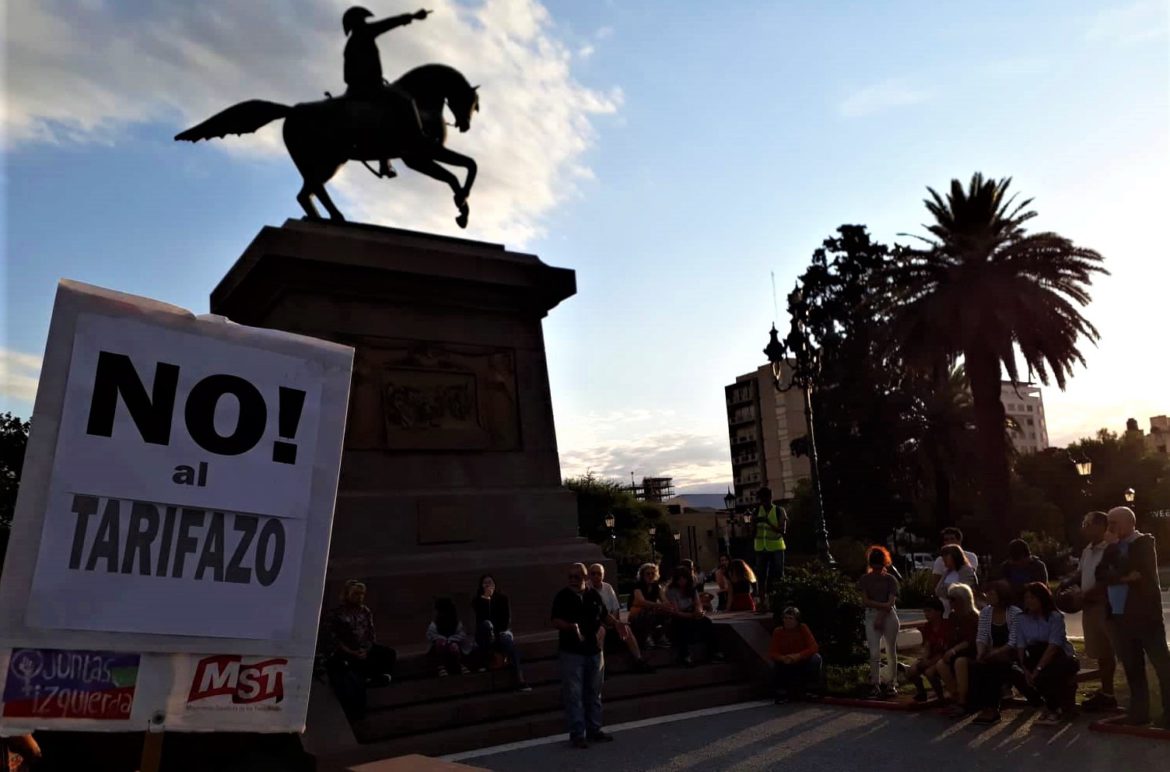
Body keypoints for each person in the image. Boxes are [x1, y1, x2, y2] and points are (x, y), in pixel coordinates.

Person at [1097, 506, 1170, 728]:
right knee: (1132, 666)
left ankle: (1169, 713)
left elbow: (1139, 570)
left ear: (1130, 523)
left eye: (1114, 523)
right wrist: (1123, 577)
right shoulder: (1112, 546)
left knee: (1162, 664)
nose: (1110, 528)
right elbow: (1101, 574)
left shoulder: (1143, 543)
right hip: (1119, 615)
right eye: (1108, 523)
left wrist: (1119, 569)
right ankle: (1139, 712)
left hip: (1145, 615)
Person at [341, 5, 431, 178]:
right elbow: (388, 24)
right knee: (405, 101)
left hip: (360, 88)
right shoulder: (364, 33)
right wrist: (411, 16)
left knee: (385, 116)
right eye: (361, 20)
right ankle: (419, 137)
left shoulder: (351, 43)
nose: (364, 22)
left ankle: (384, 160)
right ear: (356, 23)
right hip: (367, 88)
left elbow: (347, 76)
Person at [551, 562, 617, 748]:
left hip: (594, 650)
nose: (572, 580)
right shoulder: (562, 596)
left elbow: (604, 615)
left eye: (577, 577)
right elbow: (555, 620)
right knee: (574, 694)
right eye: (570, 576)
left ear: (585, 577)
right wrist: (570, 627)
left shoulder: (593, 595)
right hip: (572, 651)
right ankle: (578, 734)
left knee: (594, 693)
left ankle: (595, 729)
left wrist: (618, 624)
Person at [1057, 511, 1117, 711]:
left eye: (1088, 524)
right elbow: (1082, 572)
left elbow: (1105, 580)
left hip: (1105, 605)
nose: (1084, 528)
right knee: (1100, 652)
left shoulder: (1110, 548)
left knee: (1110, 650)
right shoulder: (1087, 550)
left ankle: (1110, 694)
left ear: (1101, 526)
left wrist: (1082, 595)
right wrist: (1067, 582)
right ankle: (1106, 693)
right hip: (1089, 607)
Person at [322, 579, 397, 719]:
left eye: (362, 594)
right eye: (356, 594)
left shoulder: (365, 611)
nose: (360, 597)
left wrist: (366, 650)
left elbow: (371, 634)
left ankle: (383, 676)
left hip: (364, 649)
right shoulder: (337, 614)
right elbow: (333, 639)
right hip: (346, 651)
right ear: (347, 594)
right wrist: (351, 652)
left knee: (389, 653)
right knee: (346, 667)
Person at [1016, 581, 1079, 725]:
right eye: (1027, 598)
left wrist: (1038, 669)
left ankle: (1055, 708)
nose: (1029, 601)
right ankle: (1049, 706)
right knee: (1026, 666)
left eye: (1033, 598)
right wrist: (1025, 669)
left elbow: (1054, 645)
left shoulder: (1054, 617)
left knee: (1048, 673)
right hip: (1035, 654)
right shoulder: (1021, 619)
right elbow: (1020, 644)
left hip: (1058, 655)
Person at [970, 580, 1023, 725]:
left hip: (1012, 653)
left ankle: (993, 709)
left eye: (992, 594)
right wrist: (981, 652)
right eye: (988, 593)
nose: (988, 596)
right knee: (977, 665)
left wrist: (995, 653)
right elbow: (982, 636)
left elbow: (1014, 640)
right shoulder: (986, 612)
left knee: (995, 667)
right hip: (993, 653)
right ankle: (981, 705)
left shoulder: (1014, 613)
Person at [588, 563, 655, 673]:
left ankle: (638, 660)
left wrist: (614, 621)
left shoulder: (607, 587)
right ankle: (600, 667)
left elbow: (615, 608)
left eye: (599, 574)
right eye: (593, 573)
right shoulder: (587, 589)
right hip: (596, 624)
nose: (596, 576)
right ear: (589, 575)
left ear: (603, 575)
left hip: (611, 621)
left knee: (626, 629)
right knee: (601, 631)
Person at [471, 574, 531, 691]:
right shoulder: (477, 601)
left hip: (500, 633)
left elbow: (505, 622)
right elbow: (480, 621)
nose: (488, 585)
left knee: (510, 645)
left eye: (490, 583)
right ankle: (485, 661)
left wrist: (497, 633)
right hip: (484, 636)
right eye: (485, 583)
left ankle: (520, 679)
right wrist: (486, 600)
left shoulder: (503, 599)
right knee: (486, 625)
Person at [859, 546, 900, 698]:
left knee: (890, 650)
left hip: (886, 614)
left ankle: (891, 683)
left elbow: (889, 603)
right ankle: (875, 682)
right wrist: (882, 607)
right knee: (874, 651)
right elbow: (865, 601)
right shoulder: (865, 579)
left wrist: (880, 614)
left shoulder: (890, 579)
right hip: (875, 614)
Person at [664, 565, 724, 666]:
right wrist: (691, 615)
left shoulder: (691, 589)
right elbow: (676, 611)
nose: (682, 581)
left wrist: (698, 612)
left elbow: (698, 603)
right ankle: (685, 655)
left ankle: (715, 651)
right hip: (679, 616)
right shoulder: (671, 591)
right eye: (680, 579)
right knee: (682, 626)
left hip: (692, 613)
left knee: (707, 622)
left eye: (684, 578)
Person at [936, 583, 980, 717]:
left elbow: (971, 640)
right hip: (956, 652)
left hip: (972, 653)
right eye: (949, 598)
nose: (950, 602)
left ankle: (962, 702)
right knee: (940, 664)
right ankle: (955, 696)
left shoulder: (973, 617)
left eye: (953, 599)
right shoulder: (953, 616)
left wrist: (954, 650)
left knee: (960, 662)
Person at [769, 606, 822, 703]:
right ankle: (781, 693)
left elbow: (814, 647)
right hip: (786, 661)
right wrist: (783, 658)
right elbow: (773, 653)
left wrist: (798, 656)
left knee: (816, 659)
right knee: (775, 665)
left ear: (797, 620)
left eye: (790, 619)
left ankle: (812, 689)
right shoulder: (778, 632)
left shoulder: (803, 628)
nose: (787, 621)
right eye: (785, 618)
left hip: (802, 659)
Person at [906, 598, 952, 702]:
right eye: (925, 611)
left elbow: (946, 649)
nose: (926, 614)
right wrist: (924, 659)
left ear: (939, 611)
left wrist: (930, 662)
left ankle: (941, 697)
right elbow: (927, 645)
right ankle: (921, 693)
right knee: (911, 670)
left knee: (929, 672)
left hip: (943, 657)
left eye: (929, 611)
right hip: (932, 656)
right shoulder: (927, 627)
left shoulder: (947, 626)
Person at [752, 487, 788, 596]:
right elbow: (752, 533)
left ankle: (779, 598)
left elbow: (783, 531)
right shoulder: (756, 511)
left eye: (765, 499)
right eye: (761, 500)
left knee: (778, 574)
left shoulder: (779, 510)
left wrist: (768, 522)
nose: (763, 502)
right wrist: (752, 523)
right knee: (761, 575)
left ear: (770, 498)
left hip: (776, 547)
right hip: (760, 548)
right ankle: (763, 601)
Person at [426, 597, 473, 677]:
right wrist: (441, 640)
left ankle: (460, 664)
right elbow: (431, 635)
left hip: (455, 646)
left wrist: (451, 640)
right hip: (441, 647)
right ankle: (441, 667)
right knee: (440, 644)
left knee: (454, 647)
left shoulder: (456, 623)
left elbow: (461, 635)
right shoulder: (435, 624)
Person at [629, 563, 673, 649]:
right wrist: (659, 605)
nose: (650, 575)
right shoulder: (637, 585)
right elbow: (641, 601)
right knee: (647, 611)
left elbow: (665, 601)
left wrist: (667, 606)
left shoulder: (656, 586)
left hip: (651, 611)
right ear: (642, 575)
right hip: (637, 615)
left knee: (668, 612)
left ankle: (661, 637)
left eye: (652, 573)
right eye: (648, 573)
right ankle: (647, 638)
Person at [931, 527, 979, 597]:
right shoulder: (941, 562)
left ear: (959, 541)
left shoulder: (970, 558)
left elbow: (967, 583)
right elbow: (937, 586)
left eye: (952, 539)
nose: (949, 542)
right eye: (946, 540)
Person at [935, 545, 978, 616]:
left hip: (962, 611)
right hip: (945, 612)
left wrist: (946, 589)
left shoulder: (966, 570)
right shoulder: (947, 572)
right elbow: (938, 590)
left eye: (946, 556)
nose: (944, 560)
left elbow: (963, 592)